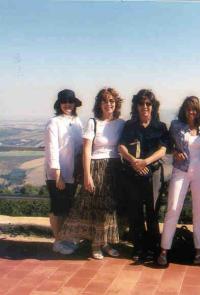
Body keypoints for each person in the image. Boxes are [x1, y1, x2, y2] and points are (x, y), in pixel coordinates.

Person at [60, 87, 125, 260]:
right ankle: (95, 245)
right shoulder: (93, 122)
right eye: (104, 101)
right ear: (99, 104)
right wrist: (88, 175)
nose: (108, 104)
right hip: (97, 168)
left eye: (111, 101)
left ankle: (105, 242)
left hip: (114, 169)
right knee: (95, 207)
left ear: (116, 103)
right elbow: (87, 150)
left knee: (109, 209)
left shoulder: (121, 123)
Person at [157, 96, 200, 266]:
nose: (191, 112)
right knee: (172, 208)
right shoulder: (176, 125)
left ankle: (199, 250)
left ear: (199, 111)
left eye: (194, 109)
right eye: (188, 108)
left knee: (199, 212)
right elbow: (167, 141)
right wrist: (173, 150)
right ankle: (164, 250)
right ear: (184, 110)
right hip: (181, 170)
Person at [118, 89, 169, 262]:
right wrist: (133, 161)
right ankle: (138, 248)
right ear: (136, 106)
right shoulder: (129, 125)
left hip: (152, 174)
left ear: (153, 106)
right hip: (132, 174)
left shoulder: (160, 127)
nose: (145, 107)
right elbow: (121, 146)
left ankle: (153, 249)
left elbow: (163, 150)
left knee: (153, 212)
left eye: (148, 103)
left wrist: (145, 162)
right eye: (141, 103)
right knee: (135, 212)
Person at [44, 89, 83, 255]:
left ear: (74, 104)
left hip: (72, 173)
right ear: (59, 104)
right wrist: (57, 175)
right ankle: (57, 241)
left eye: (71, 101)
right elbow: (52, 150)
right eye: (64, 101)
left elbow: (81, 147)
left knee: (67, 207)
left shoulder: (77, 121)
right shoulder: (54, 122)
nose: (68, 104)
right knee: (57, 208)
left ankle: (65, 239)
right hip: (57, 174)